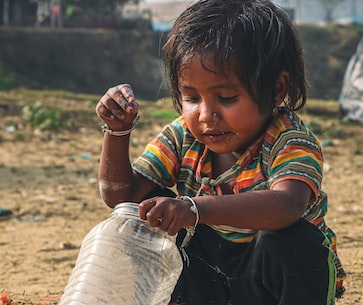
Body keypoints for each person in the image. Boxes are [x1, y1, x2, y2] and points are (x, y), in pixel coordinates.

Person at [95, 0, 345, 304]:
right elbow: (122, 196)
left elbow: (287, 205)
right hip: (209, 281)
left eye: (226, 97)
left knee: (294, 241)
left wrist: (194, 209)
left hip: (271, 286)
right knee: (149, 211)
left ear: (277, 89)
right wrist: (117, 132)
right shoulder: (183, 136)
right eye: (191, 98)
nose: (206, 114)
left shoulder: (288, 139)